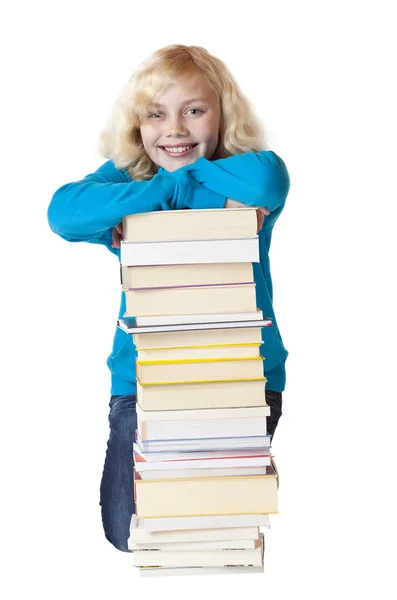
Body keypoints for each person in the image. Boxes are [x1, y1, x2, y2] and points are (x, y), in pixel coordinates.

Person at [47, 44, 290, 553]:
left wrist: (175, 180)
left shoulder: (246, 172)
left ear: (223, 114)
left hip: (242, 372)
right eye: (156, 115)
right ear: (138, 125)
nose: (174, 129)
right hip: (142, 377)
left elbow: (269, 178)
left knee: (215, 527)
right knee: (127, 531)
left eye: (194, 111)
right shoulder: (130, 179)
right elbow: (64, 213)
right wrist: (154, 190)